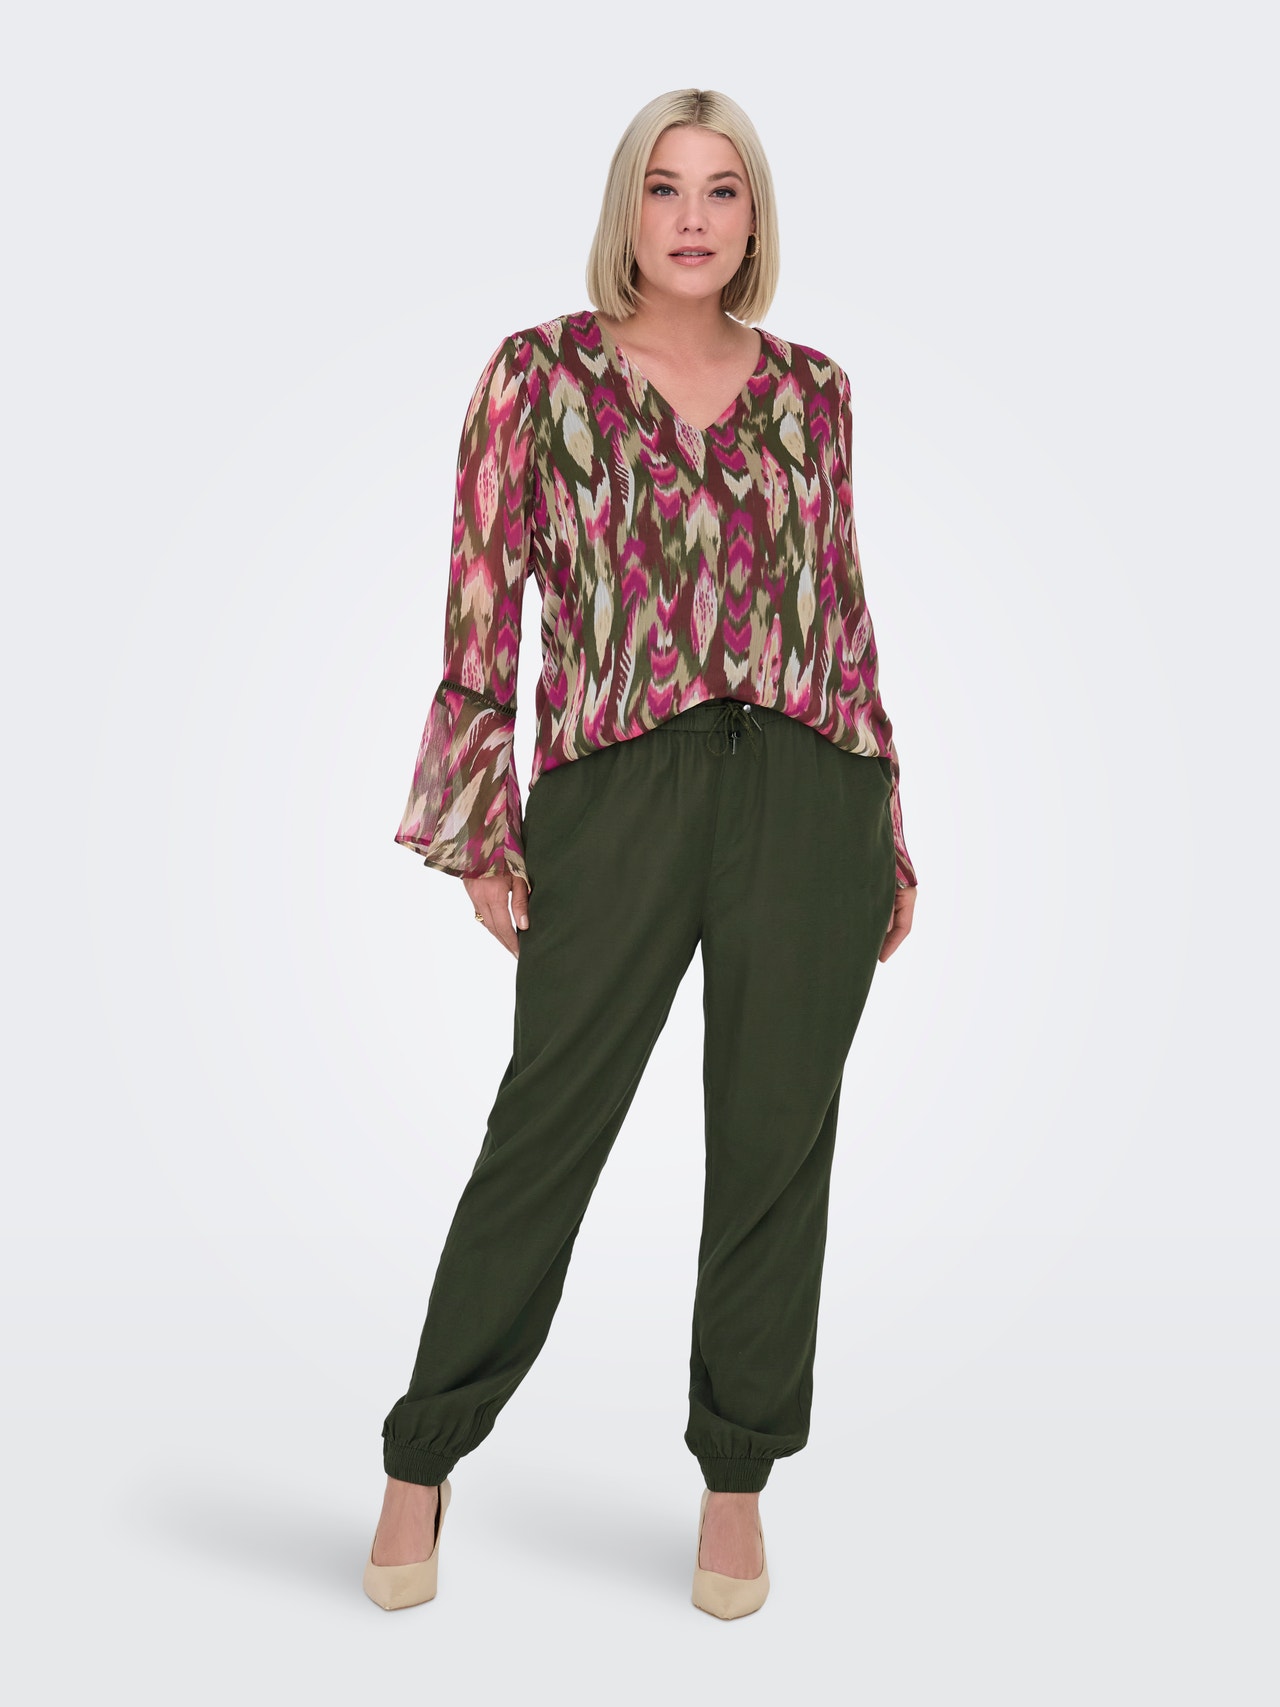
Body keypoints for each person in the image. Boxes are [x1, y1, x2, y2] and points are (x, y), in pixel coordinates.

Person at [363, 86, 919, 1621]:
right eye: (666, 186)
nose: (692, 217)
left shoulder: (814, 393)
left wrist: (886, 822)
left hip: (809, 789)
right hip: (617, 790)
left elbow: (839, 610)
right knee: (546, 1129)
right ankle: (422, 1458)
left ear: (754, 218)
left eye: (723, 190)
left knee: (775, 1145)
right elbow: (484, 600)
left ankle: (736, 1482)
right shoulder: (538, 374)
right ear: (628, 207)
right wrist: (478, 824)